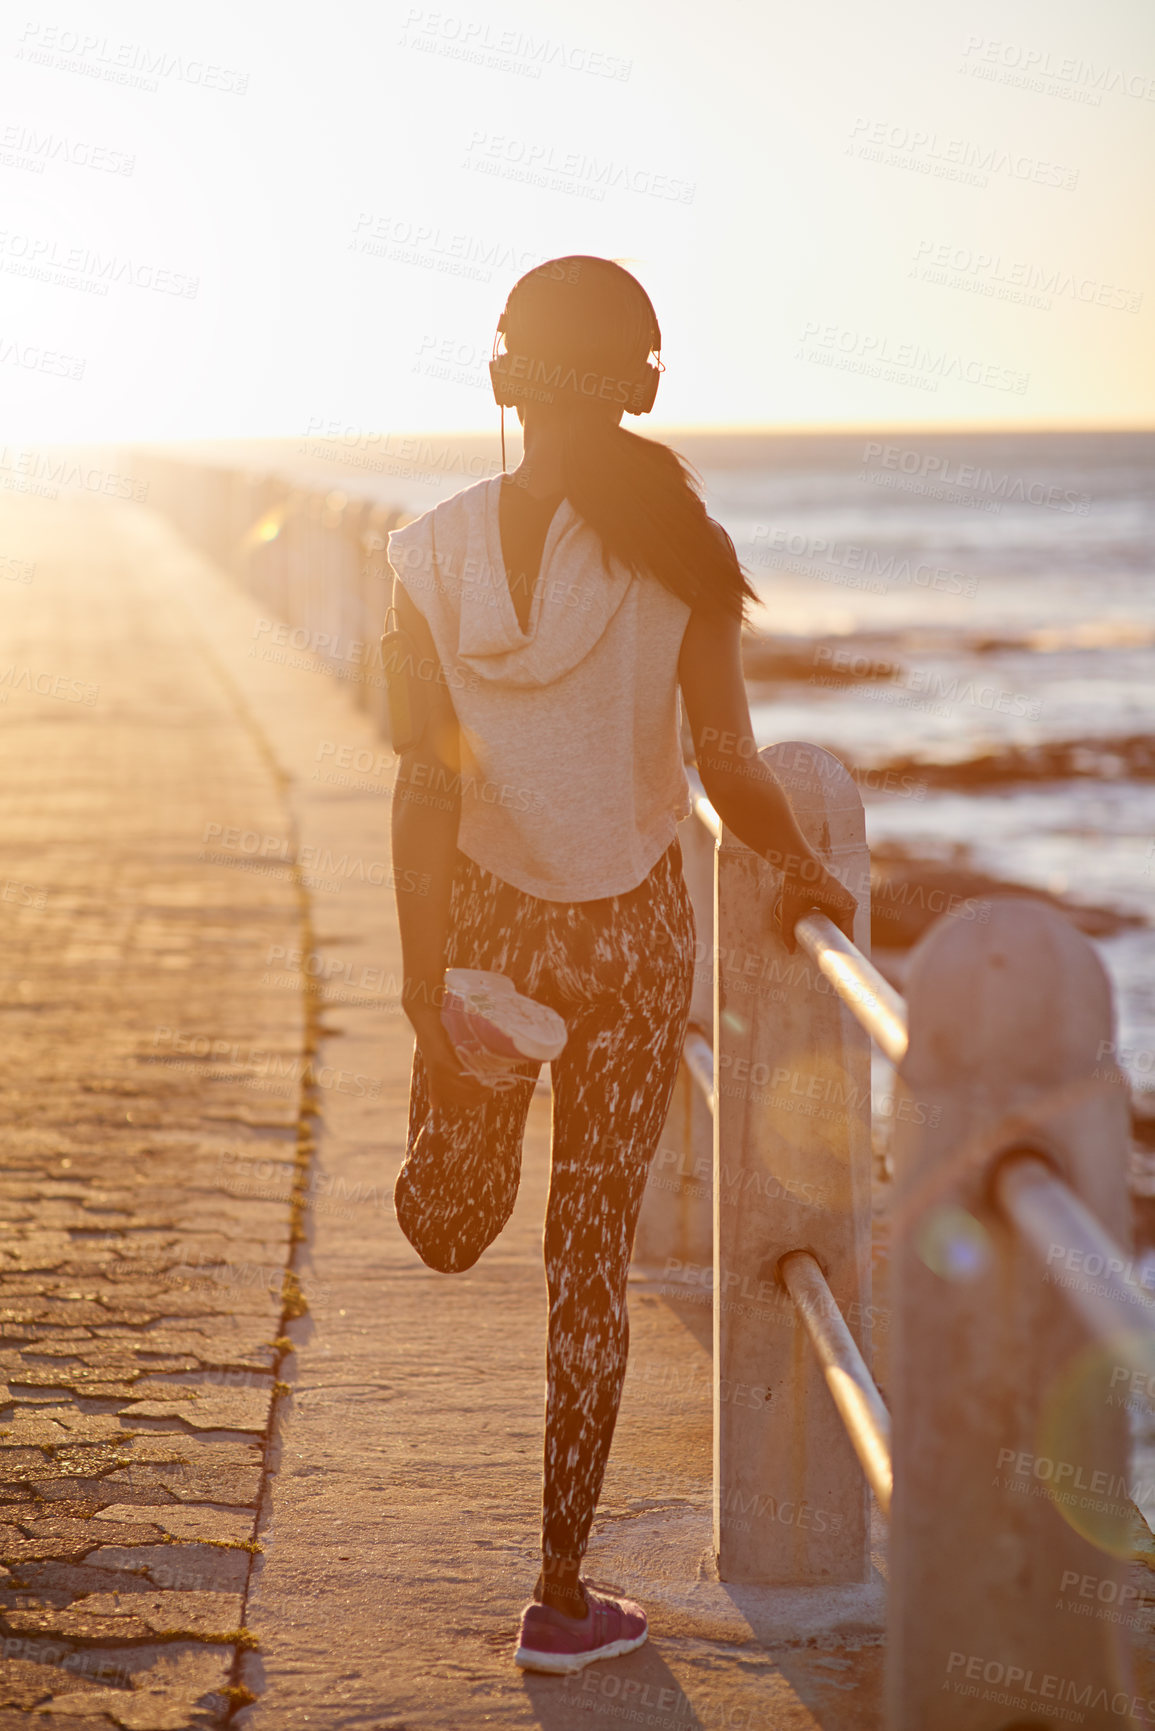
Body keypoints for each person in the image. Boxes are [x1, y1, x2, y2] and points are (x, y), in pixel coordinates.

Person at [384, 255, 857, 1675]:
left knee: (447, 1220)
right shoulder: (681, 548)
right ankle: (562, 1592)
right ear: (649, 379)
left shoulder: (426, 551)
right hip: (634, 941)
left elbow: (422, 781)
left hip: (487, 927)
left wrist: (423, 997)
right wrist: (808, 867)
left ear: (499, 378)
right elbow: (725, 766)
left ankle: (452, 1164)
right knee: (586, 1261)